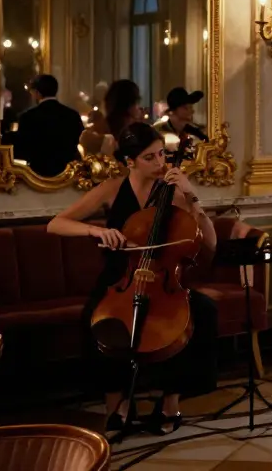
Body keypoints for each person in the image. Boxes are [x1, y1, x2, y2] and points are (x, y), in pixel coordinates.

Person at [48, 123, 218, 435]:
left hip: (165, 280)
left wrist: (192, 194)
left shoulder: (173, 192)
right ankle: (117, 405)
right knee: (99, 322)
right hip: (119, 278)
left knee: (201, 313)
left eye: (162, 155)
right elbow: (55, 225)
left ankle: (170, 402)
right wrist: (96, 230)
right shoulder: (111, 190)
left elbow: (209, 242)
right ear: (130, 161)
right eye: (150, 157)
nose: (161, 163)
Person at [13, 74, 84, 176]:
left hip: (39, 173)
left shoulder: (28, 117)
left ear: (37, 93)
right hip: (68, 173)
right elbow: (79, 139)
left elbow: (24, 148)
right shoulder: (72, 115)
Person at [81, 79, 142, 157]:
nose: (139, 107)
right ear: (127, 105)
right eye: (137, 102)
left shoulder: (133, 132)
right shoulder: (100, 137)